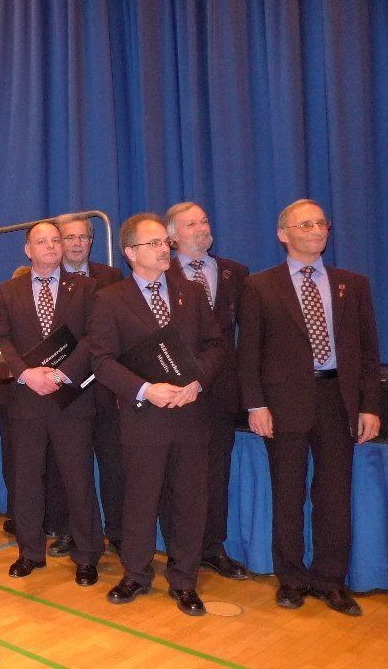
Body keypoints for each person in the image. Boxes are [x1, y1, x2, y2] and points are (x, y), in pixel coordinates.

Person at [238, 199, 381, 616]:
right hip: (283, 403)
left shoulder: (352, 284)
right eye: (306, 225)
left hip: (338, 400)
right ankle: (291, 578)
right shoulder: (260, 286)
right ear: (283, 234)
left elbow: (368, 353)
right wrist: (255, 404)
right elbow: (248, 354)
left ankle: (330, 580)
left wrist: (370, 405)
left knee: (334, 495)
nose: (318, 231)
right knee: (287, 493)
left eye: (321, 223)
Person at [88, 213, 225, 616]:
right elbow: (101, 361)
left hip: (190, 414)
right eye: (154, 243)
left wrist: (197, 382)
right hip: (143, 417)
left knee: (189, 501)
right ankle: (135, 574)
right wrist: (146, 389)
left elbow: (215, 346)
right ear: (130, 252)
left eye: (166, 242)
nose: (164, 248)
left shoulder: (192, 293)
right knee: (140, 500)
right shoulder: (110, 300)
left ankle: (184, 580)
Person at [0, 221, 102, 586]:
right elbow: (0, 340)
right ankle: (30, 552)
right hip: (25, 401)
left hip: (71, 400)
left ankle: (86, 555)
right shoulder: (8, 291)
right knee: (26, 481)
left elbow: (93, 337)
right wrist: (26, 374)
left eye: (56, 240)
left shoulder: (86, 288)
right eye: (42, 241)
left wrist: (62, 374)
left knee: (78, 480)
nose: (52, 246)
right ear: (28, 250)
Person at [163, 202, 250, 580]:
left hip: (221, 391)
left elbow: (249, 335)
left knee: (217, 473)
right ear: (172, 237)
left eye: (204, 221)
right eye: (190, 224)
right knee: (176, 474)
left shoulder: (236, 273)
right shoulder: (160, 273)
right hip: (174, 390)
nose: (201, 228)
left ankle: (213, 547)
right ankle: (178, 550)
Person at [54, 212, 124, 555]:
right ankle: (71, 531)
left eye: (83, 237)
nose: (77, 243)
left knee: (114, 464)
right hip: (68, 387)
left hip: (108, 388)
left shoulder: (111, 277)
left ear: (91, 242)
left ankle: (119, 532)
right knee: (70, 468)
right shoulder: (49, 280)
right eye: (69, 237)